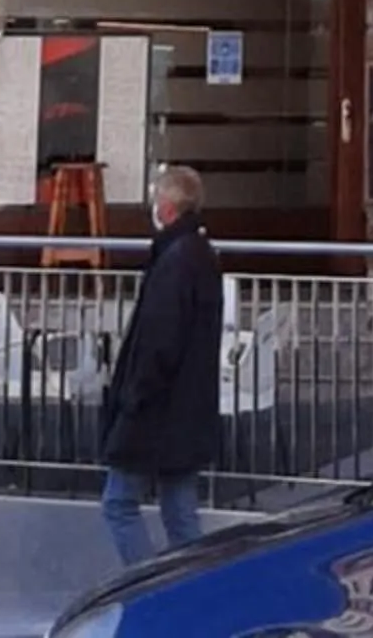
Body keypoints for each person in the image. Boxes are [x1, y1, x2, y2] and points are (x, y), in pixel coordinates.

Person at [97, 166, 224, 569]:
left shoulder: (174, 262)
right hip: (188, 407)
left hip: (156, 410)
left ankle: (147, 586)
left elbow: (158, 342)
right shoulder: (201, 256)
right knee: (180, 510)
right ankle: (200, 593)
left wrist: (135, 398)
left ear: (166, 208)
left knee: (119, 503)